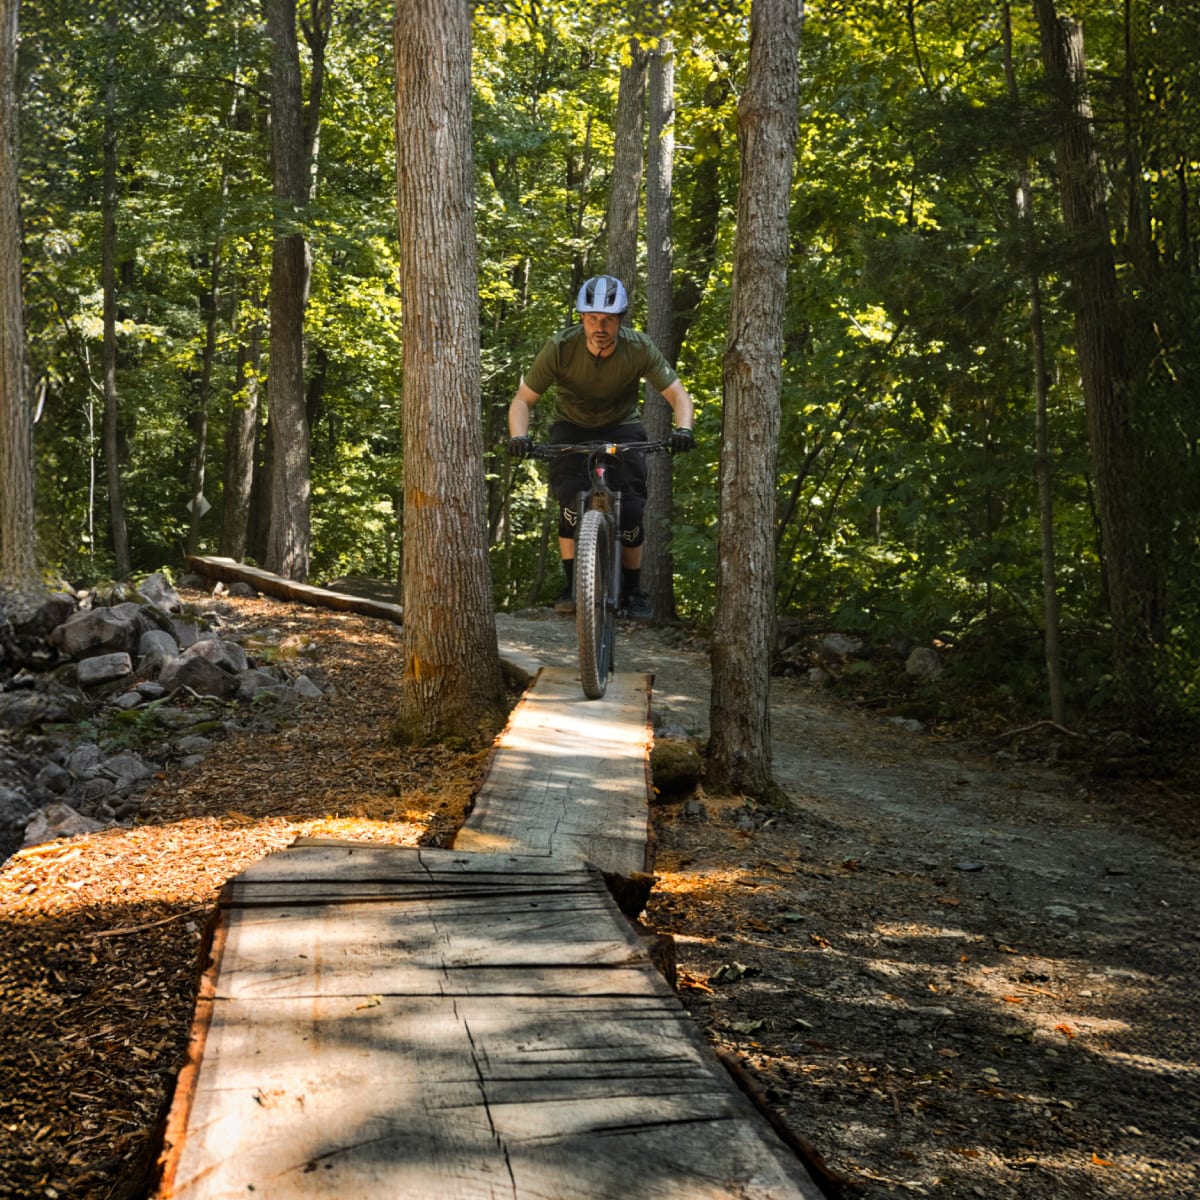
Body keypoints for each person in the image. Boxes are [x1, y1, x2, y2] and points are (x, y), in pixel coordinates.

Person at [507, 274, 696, 622]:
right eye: (592, 318)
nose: (600, 326)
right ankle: (570, 586)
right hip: (570, 426)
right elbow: (523, 400)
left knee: (634, 504)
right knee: (568, 497)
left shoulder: (638, 348)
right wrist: (519, 437)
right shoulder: (561, 347)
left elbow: (679, 396)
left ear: (620, 320)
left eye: (608, 319)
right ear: (581, 317)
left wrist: (683, 429)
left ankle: (634, 590)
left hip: (621, 426)